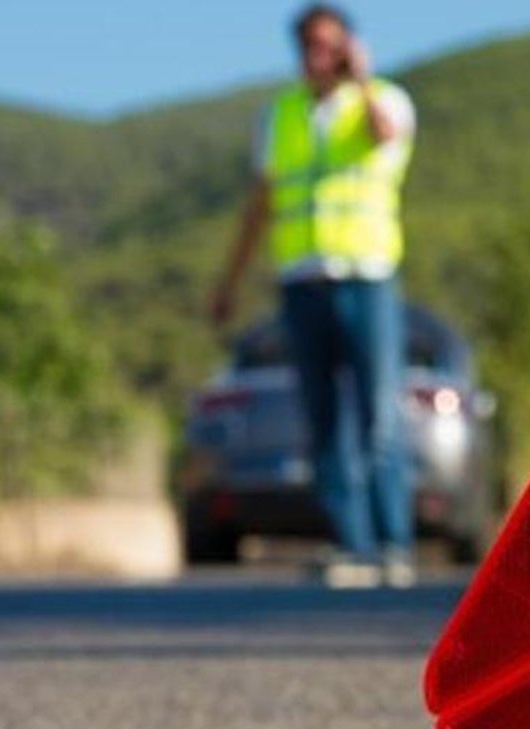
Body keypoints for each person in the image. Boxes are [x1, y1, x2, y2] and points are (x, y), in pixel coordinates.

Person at [210, 3, 417, 586]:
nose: (317, 56)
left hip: (366, 276)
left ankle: (393, 545)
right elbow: (261, 203)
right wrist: (228, 281)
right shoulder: (281, 117)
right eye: (308, 46)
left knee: (379, 414)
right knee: (324, 421)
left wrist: (362, 80)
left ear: (349, 46)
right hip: (302, 282)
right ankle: (352, 546)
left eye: (329, 45)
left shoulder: (384, 99)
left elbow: (385, 136)